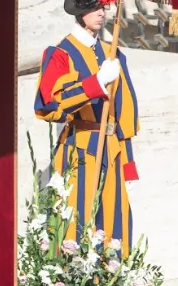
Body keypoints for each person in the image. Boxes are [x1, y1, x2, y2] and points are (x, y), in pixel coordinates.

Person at [34, 0, 140, 257]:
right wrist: (96, 82)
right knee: (76, 219)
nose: (101, 12)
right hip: (79, 148)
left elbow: (122, 116)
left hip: (112, 150)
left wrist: (129, 165)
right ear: (80, 12)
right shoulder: (61, 53)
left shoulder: (113, 53)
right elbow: (49, 103)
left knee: (114, 223)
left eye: (103, 7)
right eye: (95, 7)